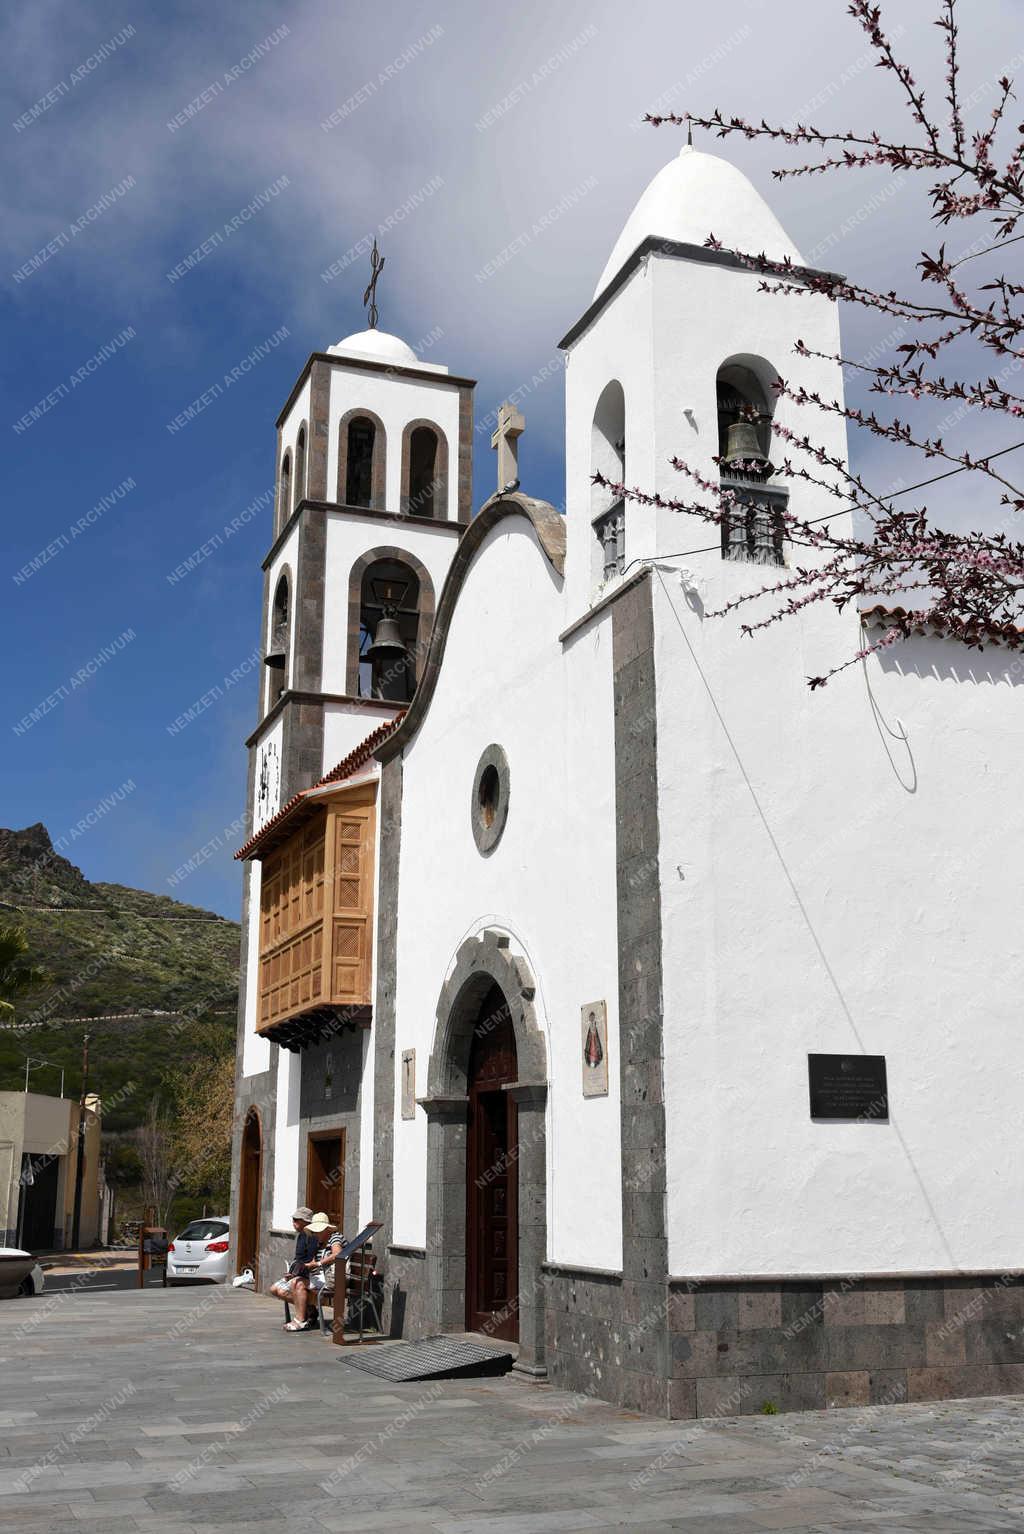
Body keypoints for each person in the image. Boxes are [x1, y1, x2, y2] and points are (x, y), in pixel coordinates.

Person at [268, 1206, 317, 1329]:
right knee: (274, 1289)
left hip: (309, 1275)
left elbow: (309, 1260)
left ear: (306, 1221)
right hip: (298, 1273)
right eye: (293, 1219)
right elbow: (298, 1258)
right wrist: (291, 1272)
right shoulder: (301, 1236)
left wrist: (297, 1273)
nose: (293, 1222)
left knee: (286, 1288)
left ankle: (303, 1316)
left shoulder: (314, 1237)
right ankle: (309, 1309)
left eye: (296, 1220)